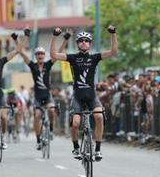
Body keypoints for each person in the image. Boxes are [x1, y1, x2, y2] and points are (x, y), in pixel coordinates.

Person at [50, 25, 118, 162]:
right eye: (81, 40)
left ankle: (98, 149)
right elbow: (54, 55)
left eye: (86, 41)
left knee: (99, 117)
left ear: (90, 44)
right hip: (78, 97)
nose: (84, 43)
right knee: (75, 124)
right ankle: (75, 147)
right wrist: (55, 37)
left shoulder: (94, 57)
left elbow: (114, 52)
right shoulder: (73, 58)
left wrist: (113, 34)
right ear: (77, 44)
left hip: (92, 96)